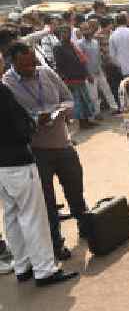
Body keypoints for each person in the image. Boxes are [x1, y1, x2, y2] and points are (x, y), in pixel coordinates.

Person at [3, 41, 89, 261]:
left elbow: (68, 98)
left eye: (33, 60)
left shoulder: (45, 72)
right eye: (25, 64)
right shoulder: (8, 84)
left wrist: (62, 110)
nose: (32, 66)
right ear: (13, 63)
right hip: (36, 151)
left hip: (63, 142)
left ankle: (87, 226)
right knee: (46, 202)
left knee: (75, 188)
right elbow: (12, 120)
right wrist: (35, 119)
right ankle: (55, 244)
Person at [52, 25, 97, 130]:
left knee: (85, 100)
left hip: (80, 76)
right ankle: (82, 123)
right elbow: (59, 65)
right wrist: (64, 80)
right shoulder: (58, 47)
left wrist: (87, 74)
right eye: (63, 32)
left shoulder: (72, 45)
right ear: (60, 34)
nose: (65, 34)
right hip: (71, 79)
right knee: (78, 102)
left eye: (67, 32)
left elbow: (81, 61)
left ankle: (87, 121)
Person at [78, 21, 119, 118]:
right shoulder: (80, 44)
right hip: (89, 73)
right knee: (94, 95)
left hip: (99, 70)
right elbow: (82, 61)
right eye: (84, 30)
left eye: (88, 29)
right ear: (81, 31)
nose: (87, 31)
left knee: (107, 90)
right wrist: (87, 74)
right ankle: (96, 113)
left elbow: (98, 57)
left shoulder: (95, 42)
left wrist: (102, 70)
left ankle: (114, 108)